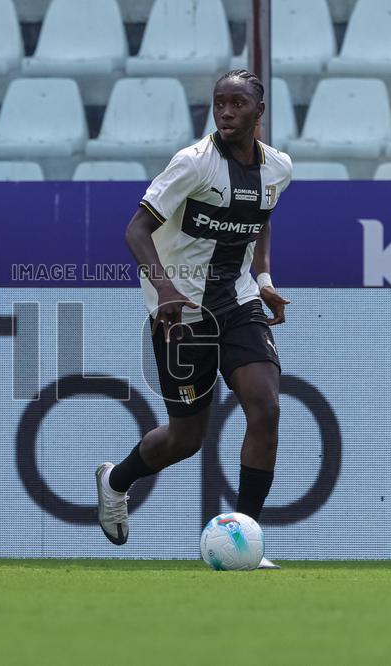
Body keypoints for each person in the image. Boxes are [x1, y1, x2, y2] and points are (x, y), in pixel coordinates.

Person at [95, 70, 292, 569]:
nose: (226, 112)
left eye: (237, 104)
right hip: (181, 310)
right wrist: (164, 289)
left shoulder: (278, 169)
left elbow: (261, 217)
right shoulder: (193, 164)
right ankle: (116, 480)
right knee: (186, 438)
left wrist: (264, 278)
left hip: (239, 299)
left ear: (258, 113)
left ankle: (247, 538)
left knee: (265, 409)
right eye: (219, 103)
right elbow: (136, 230)